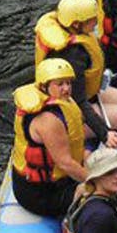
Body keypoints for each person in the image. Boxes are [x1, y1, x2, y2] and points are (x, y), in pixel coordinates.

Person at [35, 0, 117, 149]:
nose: (96, 22)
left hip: (87, 94)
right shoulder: (72, 55)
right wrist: (104, 133)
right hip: (69, 110)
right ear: (76, 24)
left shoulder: (76, 33)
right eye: (91, 20)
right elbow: (78, 102)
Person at [10, 58, 89, 218]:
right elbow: (65, 163)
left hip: (58, 181)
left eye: (68, 83)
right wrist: (96, 181)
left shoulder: (62, 102)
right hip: (42, 193)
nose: (66, 88)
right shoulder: (47, 120)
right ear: (45, 86)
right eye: (60, 84)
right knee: (99, 196)